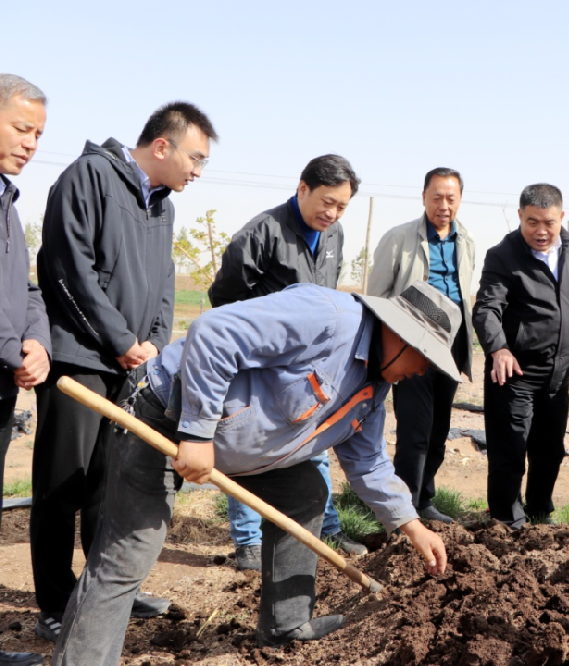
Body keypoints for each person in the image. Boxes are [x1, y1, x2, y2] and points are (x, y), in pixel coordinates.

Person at [51, 282, 457, 665]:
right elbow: (214, 331)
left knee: (305, 491)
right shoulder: (330, 317)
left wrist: (412, 526)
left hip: (226, 447)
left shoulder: (373, 386)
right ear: (402, 336)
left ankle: (285, 625)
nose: (421, 372)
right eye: (425, 359)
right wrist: (196, 431)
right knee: (129, 552)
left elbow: (368, 463)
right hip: (164, 415)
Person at [32, 101, 217, 642]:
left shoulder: (163, 205)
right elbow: (69, 268)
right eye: (195, 158)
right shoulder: (87, 177)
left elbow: (164, 283)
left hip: (134, 366)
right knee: (62, 482)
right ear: (162, 146)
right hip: (80, 360)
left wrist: (153, 346)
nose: (197, 172)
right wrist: (120, 342)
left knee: (109, 483)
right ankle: (54, 600)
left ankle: (106, 588)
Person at [208, 154, 366, 570]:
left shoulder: (334, 236)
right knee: (246, 447)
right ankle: (248, 543)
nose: (331, 213)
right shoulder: (263, 233)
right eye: (326, 202)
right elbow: (224, 298)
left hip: (306, 370)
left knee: (311, 444)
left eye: (341, 206)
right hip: (258, 369)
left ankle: (326, 531)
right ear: (302, 188)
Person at [473, 183, 569, 529]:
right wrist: (499, 348)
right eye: (532, 222)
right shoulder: (503, 255)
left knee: (549, 449)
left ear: (562, 218)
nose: (541, 231)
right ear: (520, 216)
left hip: (558, 371)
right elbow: (486, 308)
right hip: (515, 371)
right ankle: (507, 519)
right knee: (510, 447)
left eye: (549, 223)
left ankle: (539, 511)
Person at [367, 167, 475, 523]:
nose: (444, 205)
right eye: (437, 197)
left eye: (451, 198)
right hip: (409, 344)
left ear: (459, 199)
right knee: (415, 429)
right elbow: (378, 295)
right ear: (424, 197)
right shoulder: (398, 238)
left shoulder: (467, 242)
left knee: (439, 430)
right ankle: (405, 507)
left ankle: (425, 499)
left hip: (449, 345)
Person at [0, 73, 51, 666]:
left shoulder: (9, 203)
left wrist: (35, 340)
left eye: (39, 133)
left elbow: (26, 289)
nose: (32, 143)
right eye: (21, 128)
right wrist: (14, 349)